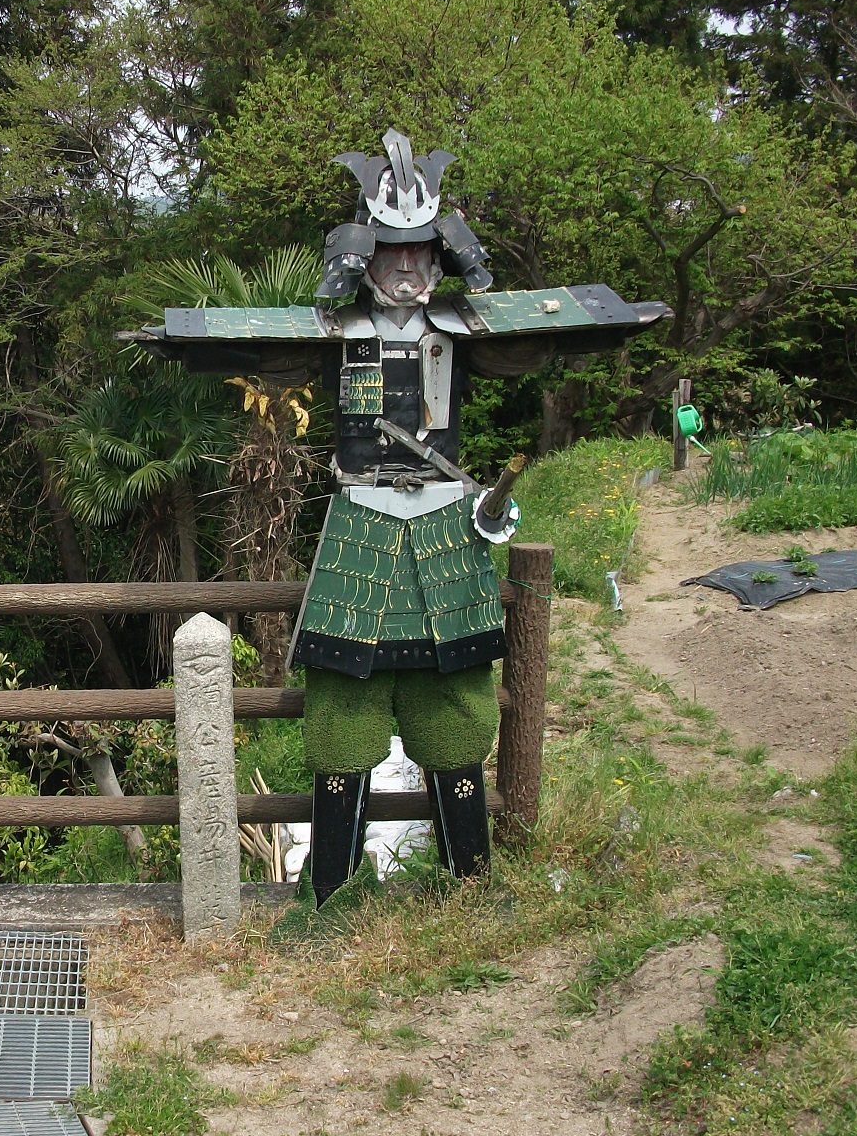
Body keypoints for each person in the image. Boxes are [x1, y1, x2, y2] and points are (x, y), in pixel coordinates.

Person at [128, 130, 670, 903]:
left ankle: (471, 885)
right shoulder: (335, 335)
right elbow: (244, 337)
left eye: (422, 257)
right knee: (344, 712)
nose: (408, 273)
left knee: (456, 706)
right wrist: (172, 335)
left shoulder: (464, 331)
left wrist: (621, 317)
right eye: (392, 256)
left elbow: (549, 329)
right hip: (359, 525)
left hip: (448, 525)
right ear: (364, 260)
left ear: (442, 260)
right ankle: (333, 894)